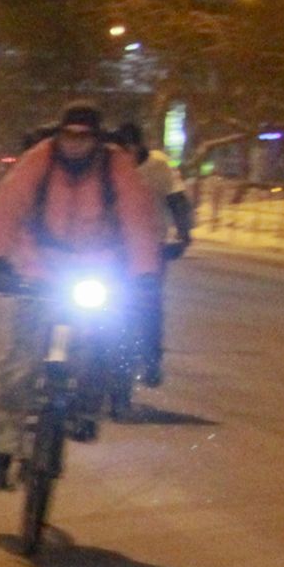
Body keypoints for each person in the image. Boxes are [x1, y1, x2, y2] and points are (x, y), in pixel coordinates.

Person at [0, 101, 161, 489]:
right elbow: (8, 210)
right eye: (69, 135)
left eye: (85, 137)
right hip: (40, 269)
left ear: (97, 139)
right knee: (22, 364)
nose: (76, 144)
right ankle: (2, 448)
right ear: (59, 135)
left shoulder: (116, 168)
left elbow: (138, 221)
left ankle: (87, 408)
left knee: (105, 342)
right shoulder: (37, 162)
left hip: (96, 269)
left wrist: (145, 273)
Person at [110, 121, 193, 387]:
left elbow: (177, 201)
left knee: (148, 304)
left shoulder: (159, 166)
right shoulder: (108, 166)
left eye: (130, 151)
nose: (126, 158)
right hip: (110, 247)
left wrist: (182, 234)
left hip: (149, 246)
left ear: (139, 147)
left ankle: (151, 357)